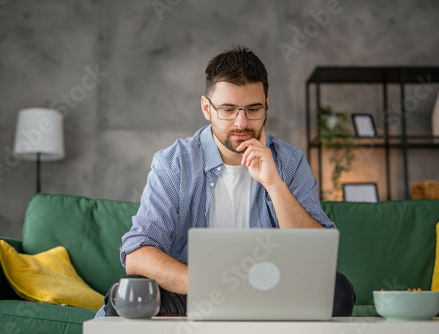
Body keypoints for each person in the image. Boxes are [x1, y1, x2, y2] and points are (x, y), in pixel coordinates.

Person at [95, 45, 355, 317]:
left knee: (337, 289)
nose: (241, 123)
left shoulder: (290, 162)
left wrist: (274, 184)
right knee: (127, 292)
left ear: (267, 105)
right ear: (207, 108)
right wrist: (209, 284)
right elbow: (137, 254)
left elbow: (318, 256)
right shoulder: (175, 162)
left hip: (272, 297)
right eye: (228, 109)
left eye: (253, 109)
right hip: (192, 295)